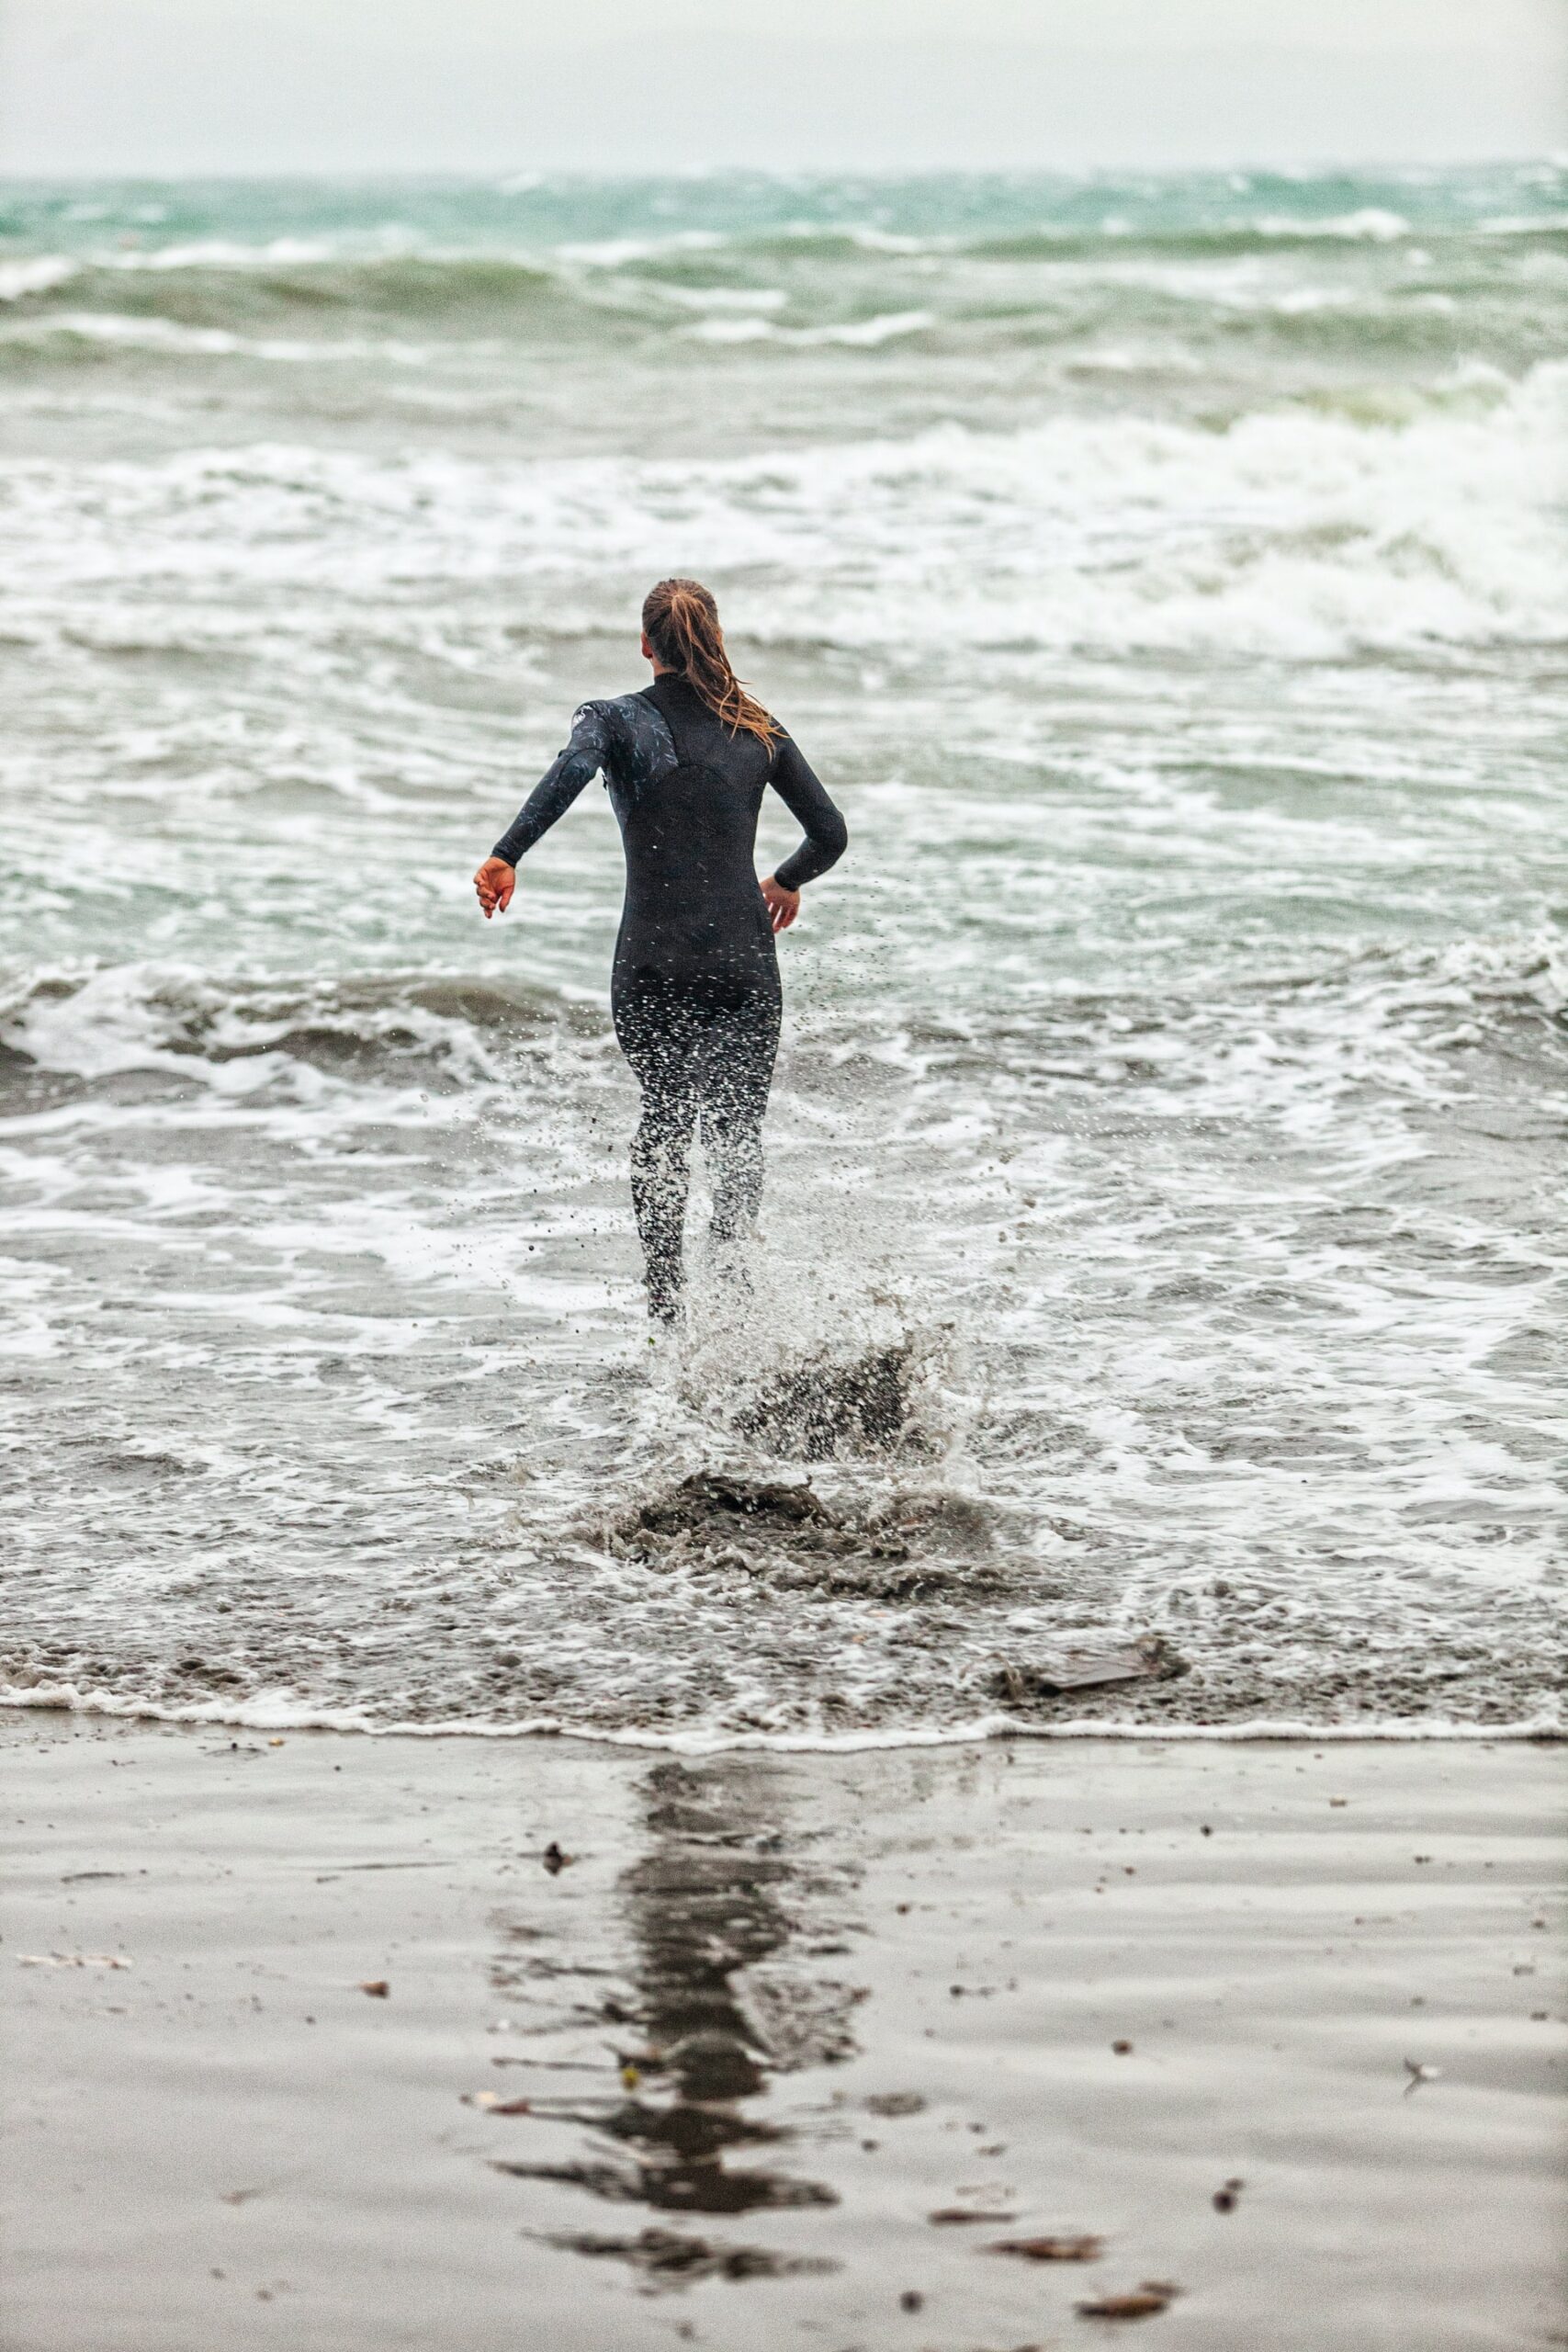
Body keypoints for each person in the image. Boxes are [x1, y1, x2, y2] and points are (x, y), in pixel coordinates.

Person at [474, 578, 848, 1324]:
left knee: (666, 1118)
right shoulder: (759, 729)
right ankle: (737, 1300)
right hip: (743, 962)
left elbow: (569, 774)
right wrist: (784, 881)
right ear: (713, 638)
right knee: (738, 1131)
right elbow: (829, 833)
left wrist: (506, 854)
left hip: (654, 961)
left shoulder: (615, 721)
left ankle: (666, 1314)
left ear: (646, 645)